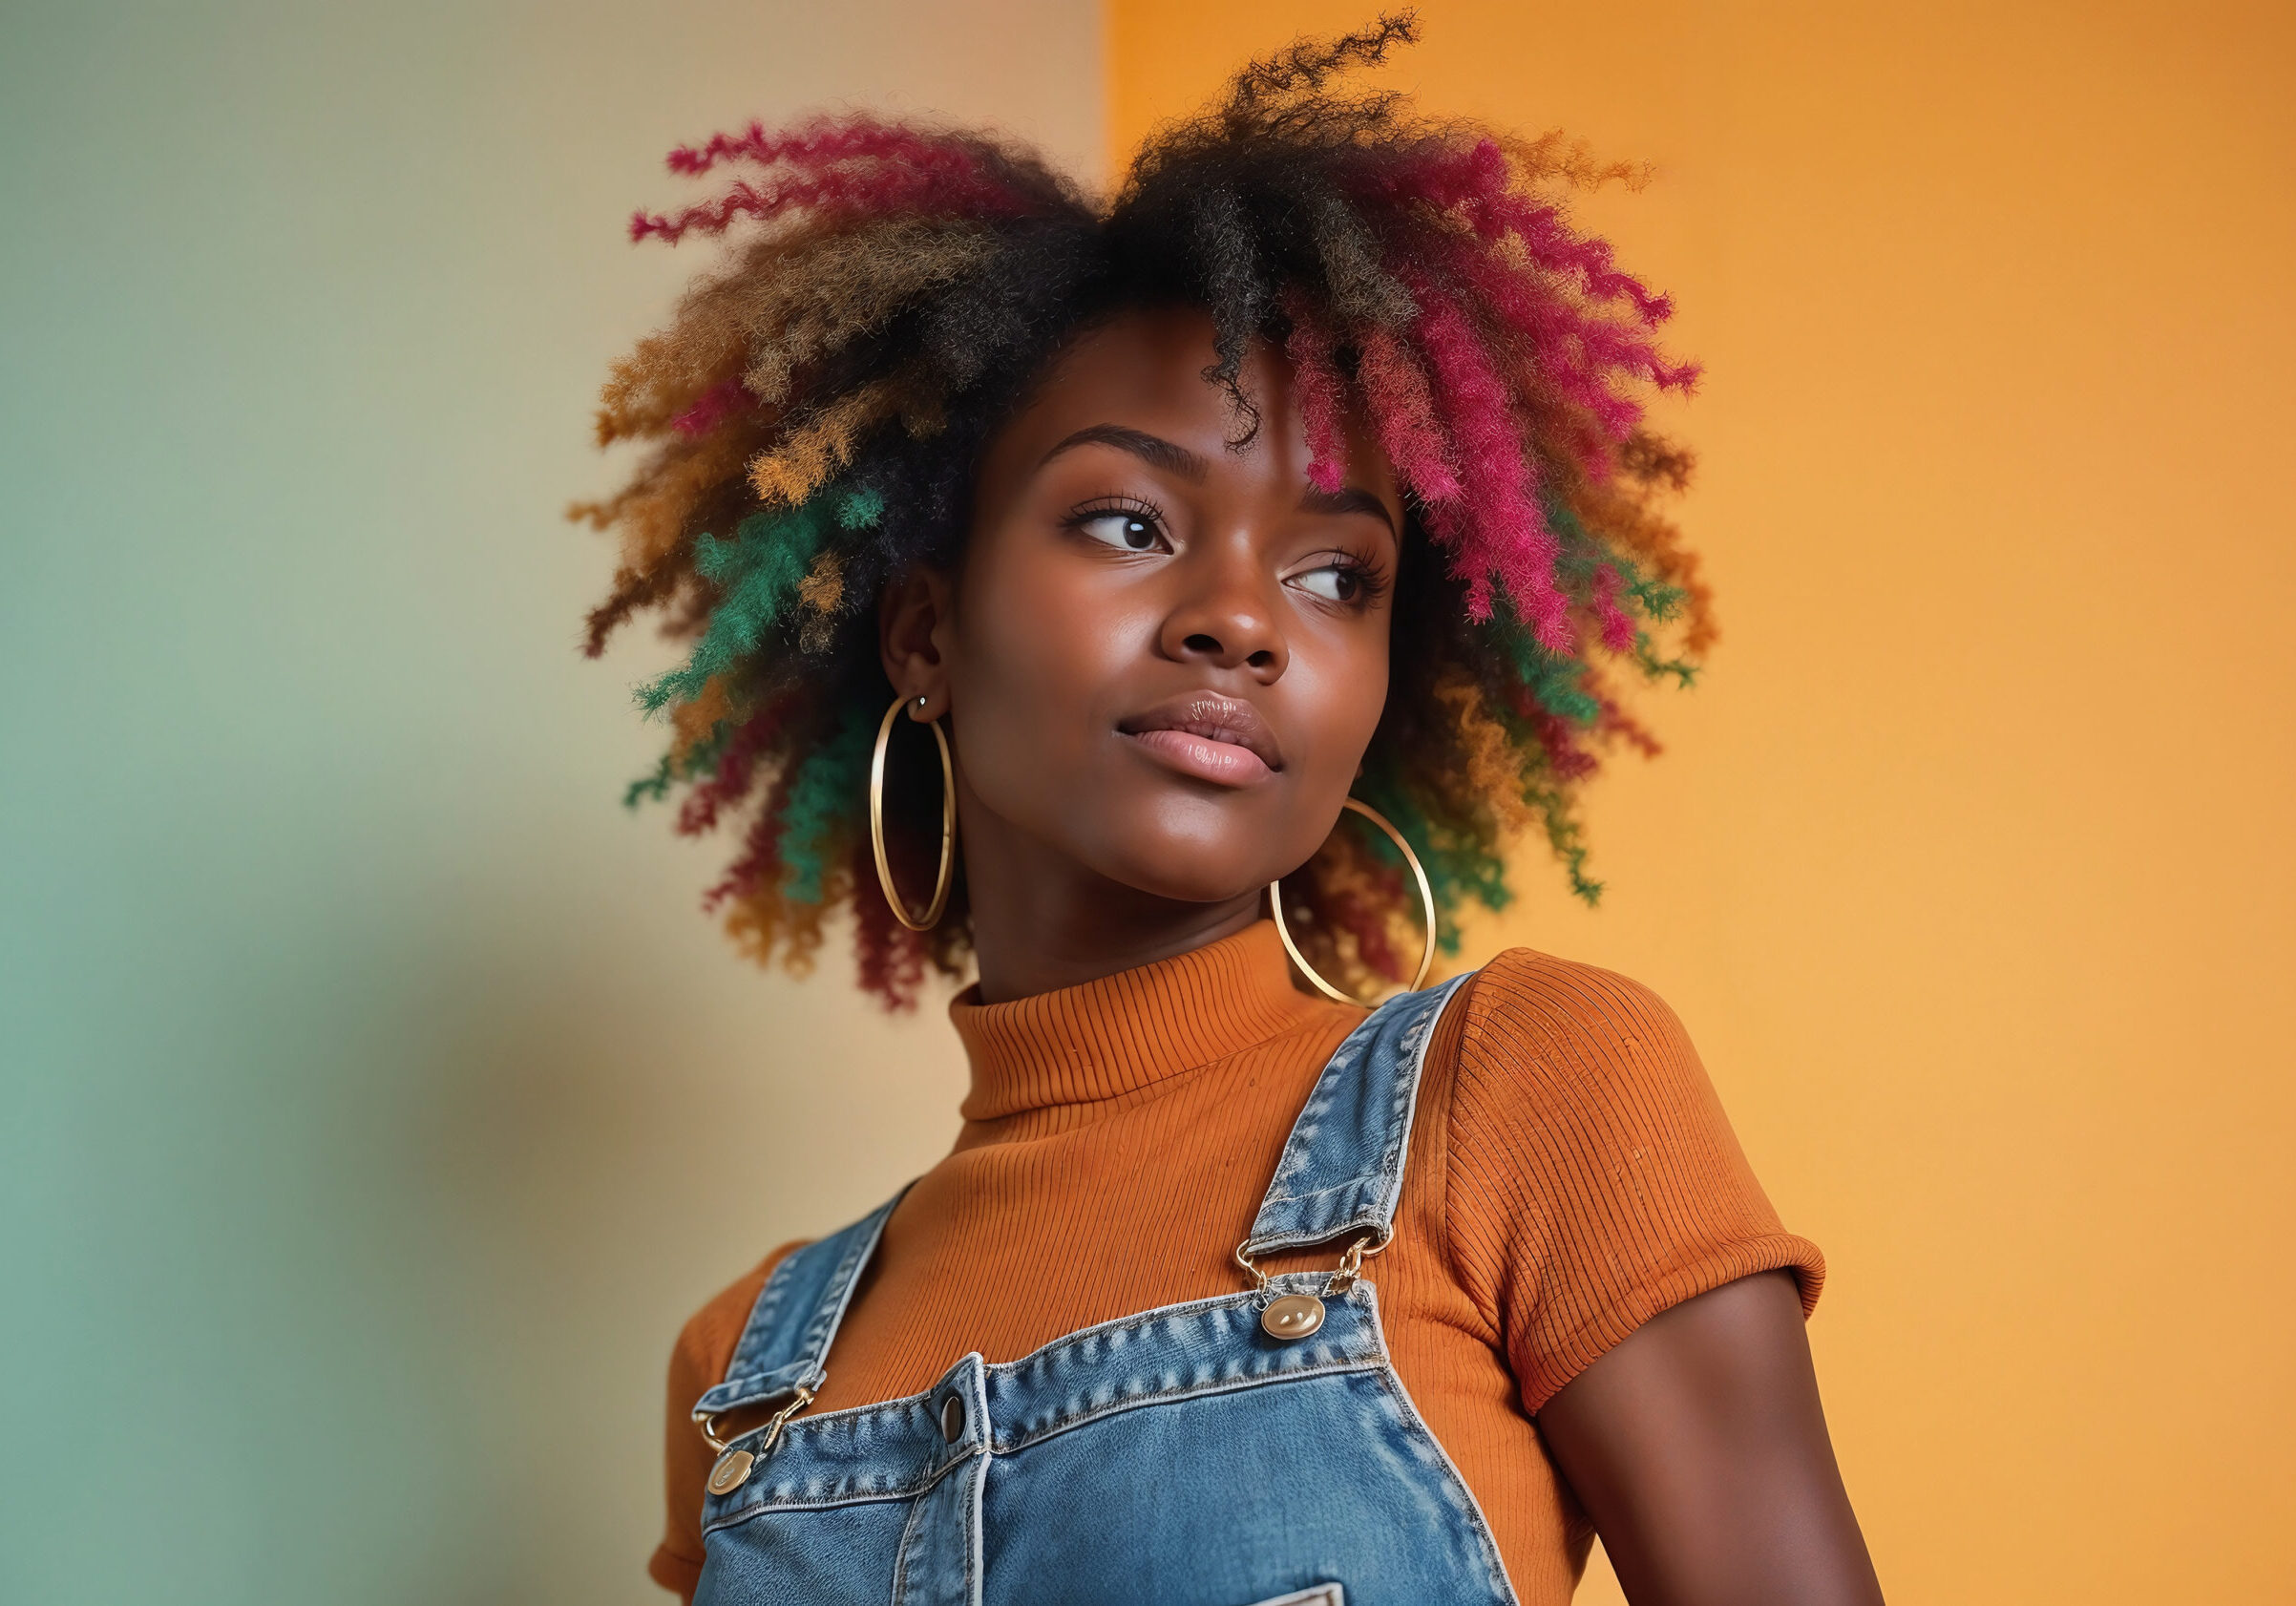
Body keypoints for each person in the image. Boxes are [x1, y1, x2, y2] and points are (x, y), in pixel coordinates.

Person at [575, 16, 1883, 1605]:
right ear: (925, 631)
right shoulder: (744, 1374)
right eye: (1127, 520)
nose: (1243, 620)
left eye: (1336, 573)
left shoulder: (1529, 1092)